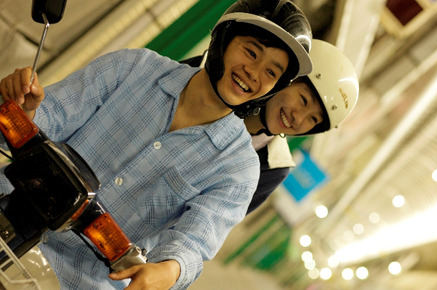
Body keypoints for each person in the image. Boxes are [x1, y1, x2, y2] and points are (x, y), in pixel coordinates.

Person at [0, 1, 312, 289]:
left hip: (79, 280)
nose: (253, 73)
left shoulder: (239, 170)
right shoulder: (134, 66)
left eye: (271, 72)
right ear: (223, 40)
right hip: (8, 211)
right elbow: (49, 117)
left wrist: (169, 270)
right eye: (251, 52)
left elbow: (195, 240)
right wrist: (25, 109)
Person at [183, 39, 359, 215]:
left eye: (313, 119)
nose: (298, 119)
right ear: (286, 79)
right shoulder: (206, 76)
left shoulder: (272, 168)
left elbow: (216, 221)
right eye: (303, 100)